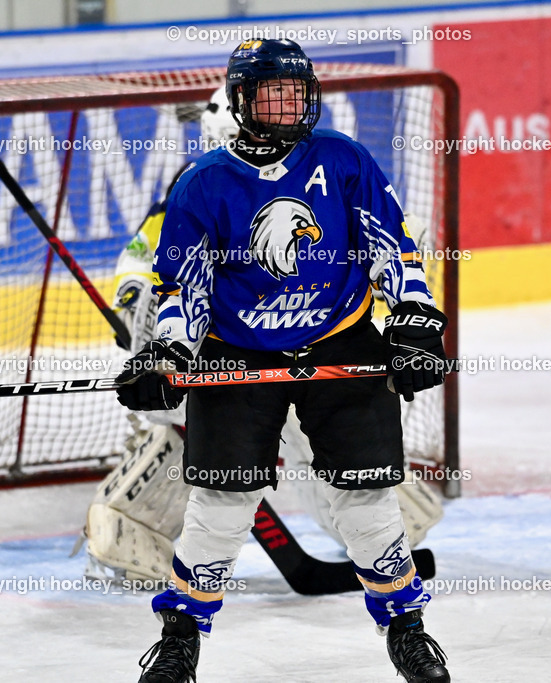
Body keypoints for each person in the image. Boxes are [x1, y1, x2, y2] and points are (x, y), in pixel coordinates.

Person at [115, 40, 451, 683]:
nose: (289, 103)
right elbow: (184, 287)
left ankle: (406, 628)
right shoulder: (201, 185)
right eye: (273, 92)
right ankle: (181, 633)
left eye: (297, 92)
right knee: (219, 505)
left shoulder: (345, 161)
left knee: (369, 503)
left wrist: (414, 323)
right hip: (237, 352)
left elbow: (394, 251)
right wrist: (165, 353)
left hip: (342, 339)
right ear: (242, 101)